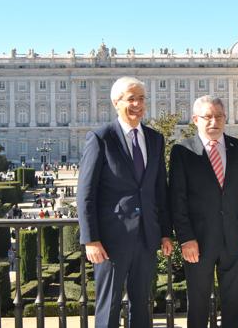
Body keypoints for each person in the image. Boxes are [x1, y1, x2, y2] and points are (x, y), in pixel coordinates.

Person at [77, 76, 173, 328]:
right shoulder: (101, 138)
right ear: (116, 102)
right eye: (131, 99)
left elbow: (159, 189)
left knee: (141, 305)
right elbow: (86, 192)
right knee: (108, 305)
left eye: (141, 99)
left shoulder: (155, 138)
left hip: (146, 237)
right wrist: (90, 239)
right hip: (110, 240)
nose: (138, 104)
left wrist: (165, 232)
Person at [169, 95, 238, 328]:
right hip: (197, 242)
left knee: (234, 307)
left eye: (219, 116)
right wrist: (185, 238)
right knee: (198, 308)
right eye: (207, 117)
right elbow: (177, 200)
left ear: (225, 118)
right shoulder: (182, 150)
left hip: (236, 240)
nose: (214, 122)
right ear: (195, 120)